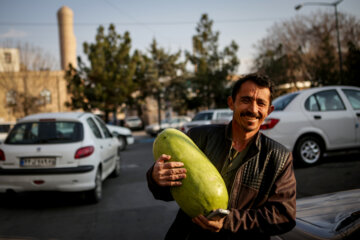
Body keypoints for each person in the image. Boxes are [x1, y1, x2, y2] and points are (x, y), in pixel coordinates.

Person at [146, 73, 296, 240]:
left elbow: (283, 217)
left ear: (269, 110)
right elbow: (167, 193)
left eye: (261, 103)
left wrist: (229, 221)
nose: (253, 109)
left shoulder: (278, 157)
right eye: (246, 100)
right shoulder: (198, 137)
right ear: (231, 103)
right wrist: (155, 178)